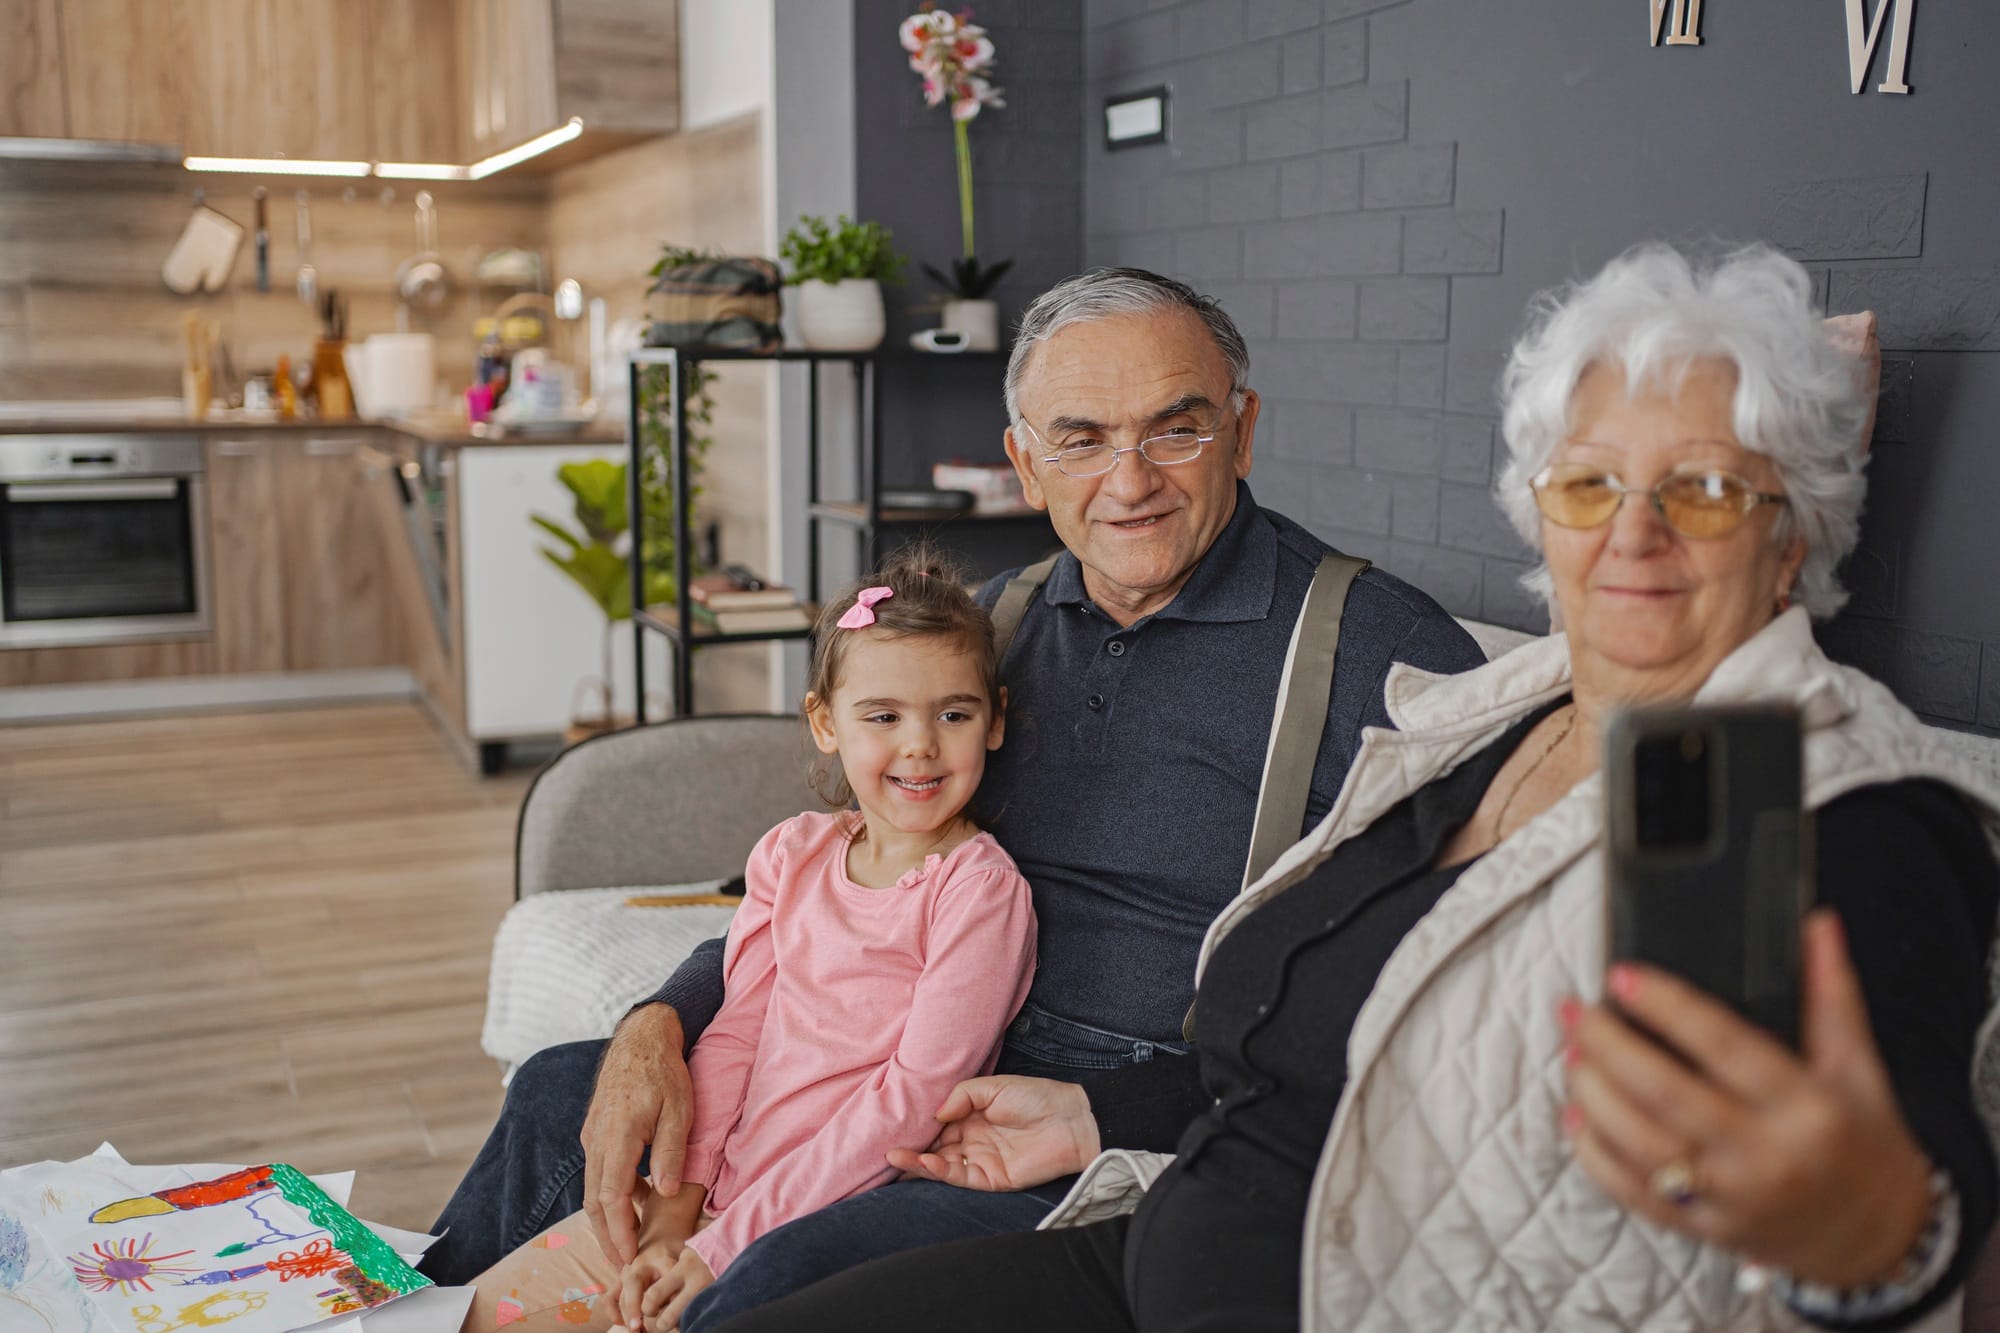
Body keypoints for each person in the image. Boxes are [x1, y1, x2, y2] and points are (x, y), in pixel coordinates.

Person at [712, 243, 2000, 1332]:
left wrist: (1868, 1227)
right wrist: (1104, 1112)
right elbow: (1303, 1040)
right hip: (1158, 1218)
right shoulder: (1483, 720)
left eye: (1708, 490)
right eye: (1589, 482)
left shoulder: (1786, 787)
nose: (1634, 535)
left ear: (1797, 530)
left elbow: (1877, 1187)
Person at [420, 268, 1486, 1327]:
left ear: (1241, 432)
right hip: (888, 1058)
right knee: (561, 1096)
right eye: (1079, 438)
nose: (1128, 481)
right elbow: (803, 899)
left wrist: (1107, 1111)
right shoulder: (993, 631)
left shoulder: (1380, 659)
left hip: (1094, 1126)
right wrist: (657, 1020)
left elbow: (1441, 996)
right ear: (1024, 463)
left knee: (761, 1284)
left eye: (1176, 429)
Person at [458, 548, 1037, 1333]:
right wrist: (673, 1209)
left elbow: (911, 1104)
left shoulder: (980, 893)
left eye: (954, 714)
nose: (920, 746)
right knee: (466, 1317)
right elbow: (734, 1035)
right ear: (825, 723)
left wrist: (722, 1244)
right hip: (707, 1204)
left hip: (813, 1219)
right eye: (884, 715)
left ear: (994, 718)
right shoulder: (791, 854)